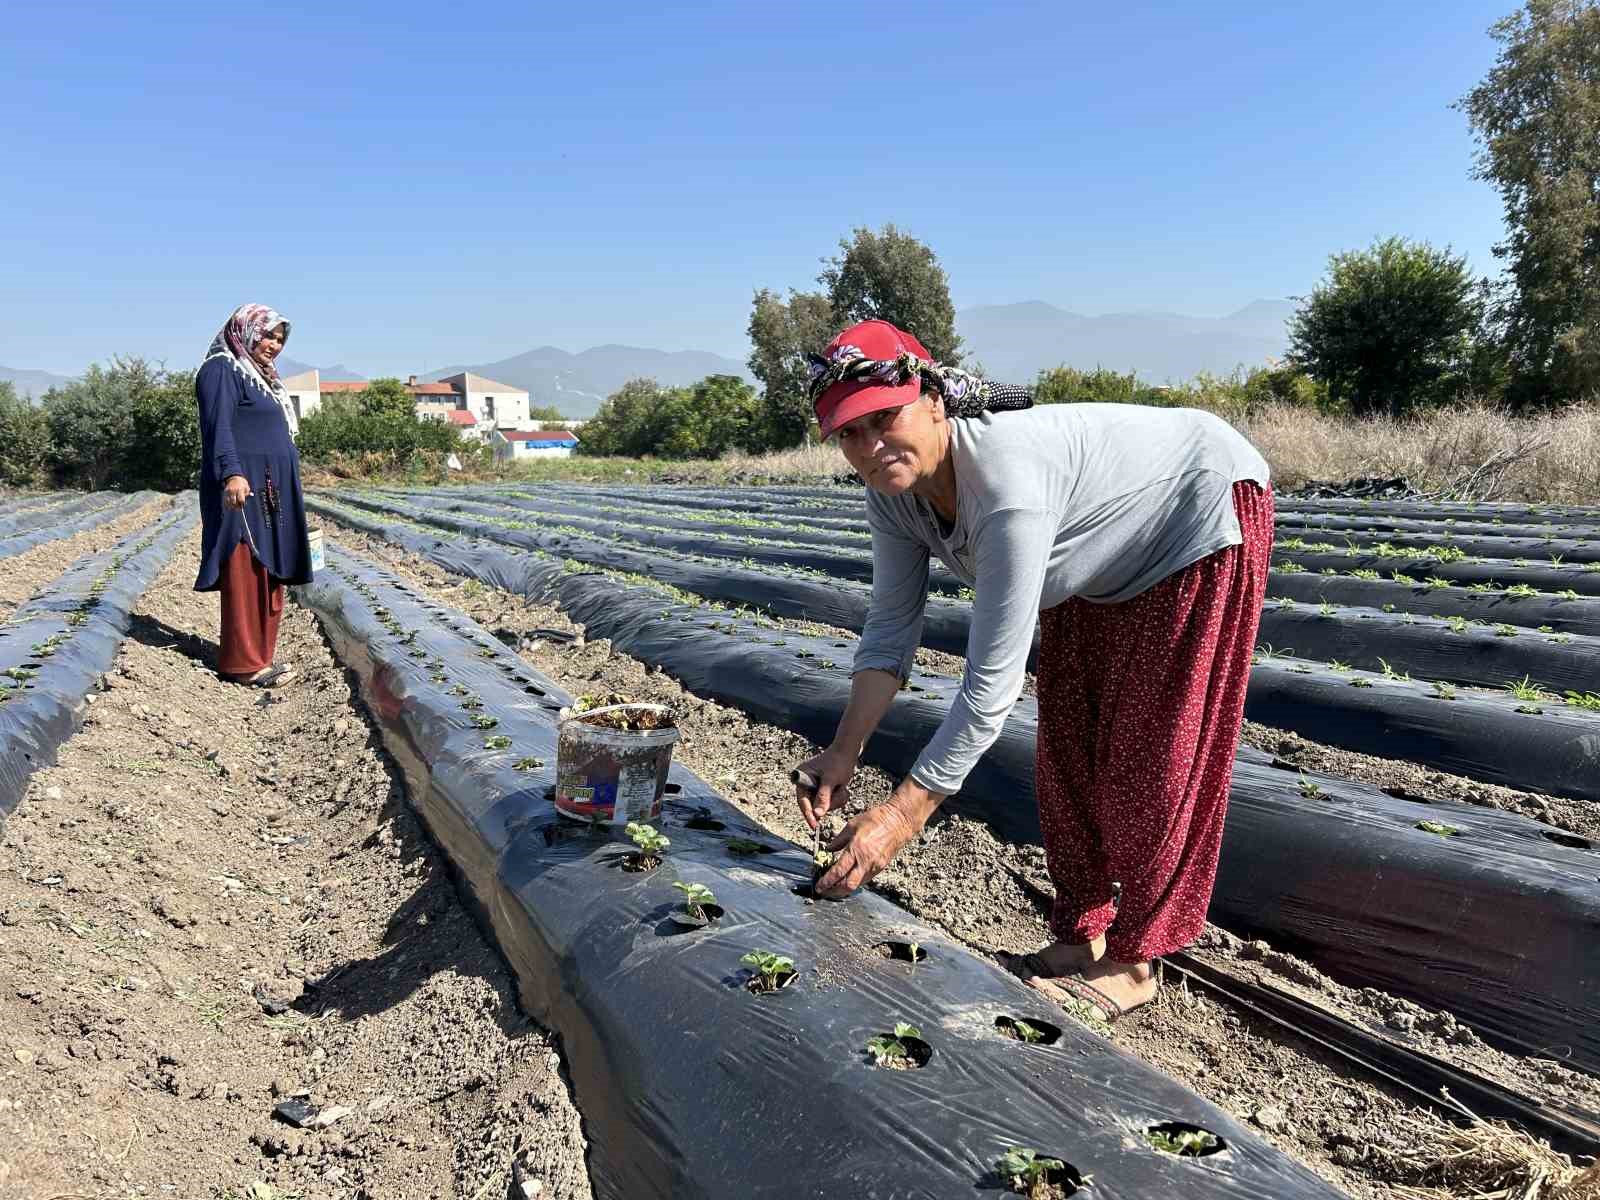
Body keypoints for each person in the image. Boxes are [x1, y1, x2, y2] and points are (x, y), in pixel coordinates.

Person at [794, 319, 1273, 1023]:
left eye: (882, 419)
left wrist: (900, 816)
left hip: (1195, 515)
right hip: (1099, 560)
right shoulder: (891, 494)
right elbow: (893, 627)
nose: (869, 448)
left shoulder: (1006, 483)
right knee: (1067, 752)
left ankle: (1134, 960)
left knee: (1149, 757)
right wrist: (843, 752)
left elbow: (990, 690)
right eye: (849, 434)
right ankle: (1081, 933)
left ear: (930, 399)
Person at [194, 304, 313, 687]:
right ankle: (242, 665)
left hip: (271, 491)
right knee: (245, 568)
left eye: (280, 339)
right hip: (243, 488)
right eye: (267, 335)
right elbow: (218, 428)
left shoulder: (263, 378)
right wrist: (232, 473)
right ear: (245, 331)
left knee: (270, 569)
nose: (274, 345)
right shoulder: (221, 369)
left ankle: (261, 658)